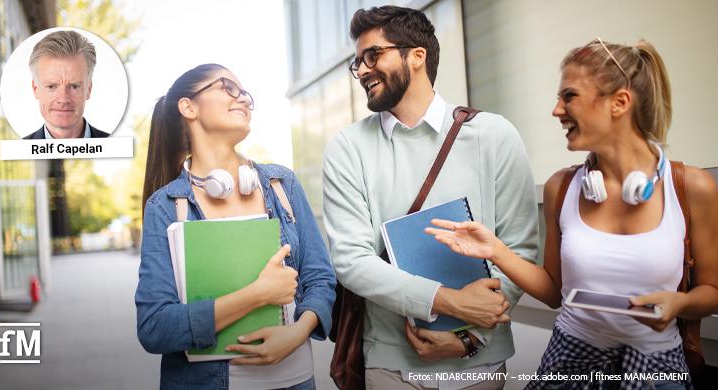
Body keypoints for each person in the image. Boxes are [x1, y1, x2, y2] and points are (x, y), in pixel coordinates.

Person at [427, 38, 718, 389]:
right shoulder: (561, 187)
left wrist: (681, 303)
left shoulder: (692, 187)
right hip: (569, 362)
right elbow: (554, 293)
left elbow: (712, 290)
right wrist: (495, 251)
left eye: (569, 96)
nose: (557, 110)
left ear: (619, 102)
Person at [322, 6, 538, 389]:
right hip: (390, 364)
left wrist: (471, 337)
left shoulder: (495, 135)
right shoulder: (347, 148)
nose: (363, 70)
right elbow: (351, 261)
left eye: (374, 55)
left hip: (481, 366)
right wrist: (449, 302)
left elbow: (519, 251)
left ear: (417, 55)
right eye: (358, 62)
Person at [135, 63, 336, 390]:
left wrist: (297, 333)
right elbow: (155, 327)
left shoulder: (282, 184)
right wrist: (257, 295)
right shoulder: (166, 206)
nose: (242, 97)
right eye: (227, 87)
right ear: (189, 107)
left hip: (295, 381)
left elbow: (320, 278)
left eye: (244, 92)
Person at [25, 30, 110, 139]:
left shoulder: (115, 148)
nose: (63, 99)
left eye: (74, 86)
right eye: (51, 86)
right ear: (35, 89)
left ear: (88, 89)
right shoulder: (18, 153)